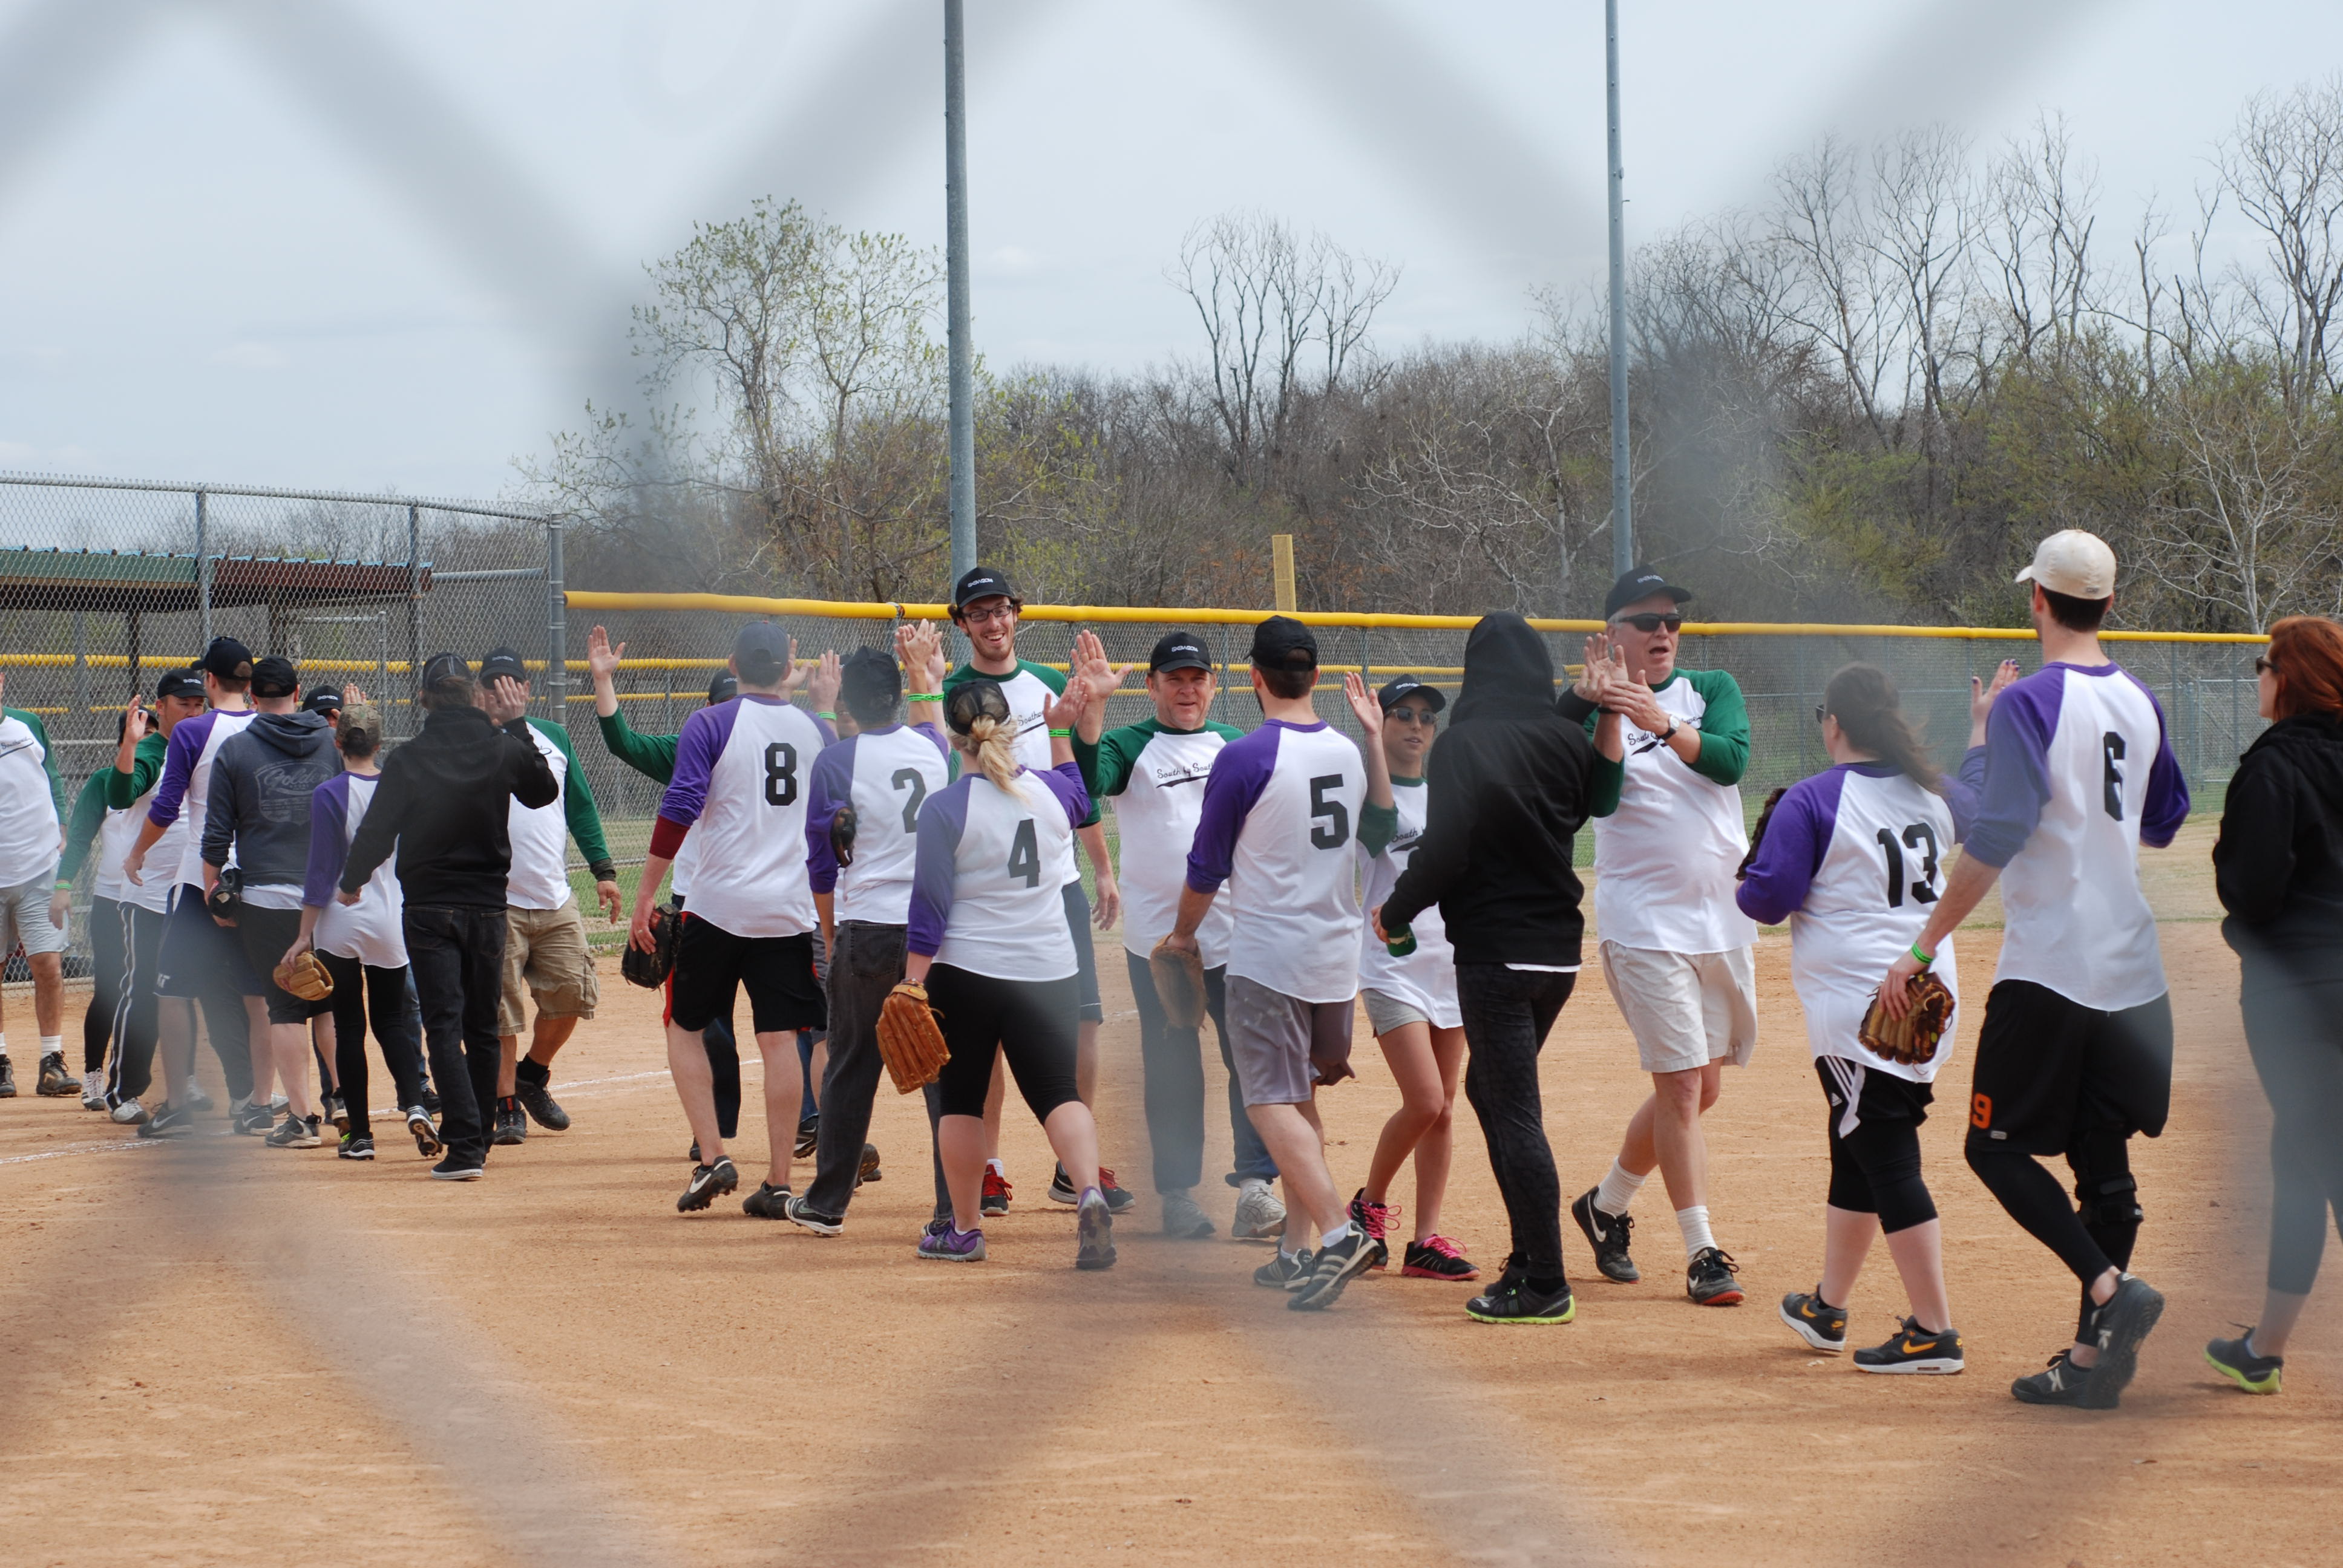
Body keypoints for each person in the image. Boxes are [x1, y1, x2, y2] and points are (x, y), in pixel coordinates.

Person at [1881, 529, 2186, 1409]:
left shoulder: (2030, 704)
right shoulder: (2142, 698)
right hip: (2135, 970)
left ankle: (2107, 1290)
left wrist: (1923, 942)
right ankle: (2092, 1370)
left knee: (1993, 1146)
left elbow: (1998, 836)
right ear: (2111, 604)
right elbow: (2164, 819)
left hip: (2052, 965)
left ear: (2039, 602)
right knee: (2105, 1162)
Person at [1738, 662, 2009, 1374]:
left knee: (1884, 1152)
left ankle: (1933, 1331)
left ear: (1832, 724)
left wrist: (1747, 871)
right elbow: (1978, 803)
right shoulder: (1931, 789)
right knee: (1854, 1140)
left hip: (1862, 1013)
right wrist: (1980, 732)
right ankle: (1826, 1306)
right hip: (1926, 996)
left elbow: (1766, 903)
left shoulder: (1813, 800)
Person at [1375, 615, 1602, 1324]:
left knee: (1513, 1111)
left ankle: (1544, 1281)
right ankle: (1528, 1259)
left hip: (1494, 955)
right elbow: (1582, 791)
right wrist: (1586, 706)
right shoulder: (1567, 736)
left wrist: (1398, 908)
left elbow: (1447, 848)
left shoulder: (1463, 744)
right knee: (1485, 1088)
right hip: (1557, 954)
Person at [1167, 616, 1397, 1311]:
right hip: (1334, 959)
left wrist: (1181, 938)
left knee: (1266, 1101)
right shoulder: (1348, 753)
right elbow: (1380, 832)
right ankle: (1296, 1250)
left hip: (1268, 956)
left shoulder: (1243, 756)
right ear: (1317, 678)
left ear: (1253, 678)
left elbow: (1205, 867)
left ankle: (1336, 1233)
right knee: (1299, 1102)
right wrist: (1374, 741)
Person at [1563, 568, 1758, 1308]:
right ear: (1611, 634)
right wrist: (1610, 712)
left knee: (1700, 1088)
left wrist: (1661, 722)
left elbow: (1730, 759)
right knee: (1678, 1085)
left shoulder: (1711, 688)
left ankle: (1605, 1205)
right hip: (1643, 924)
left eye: (1671, 621)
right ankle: (1702, 1251)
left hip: (1720, 917)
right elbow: (1597, 802)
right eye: (1646, 622)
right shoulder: (1589, 711)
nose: (1663, 633)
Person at [1072, 628, 1285, 1241]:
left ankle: (1255, 1188)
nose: (1186, 689)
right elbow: (1086, 791)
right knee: (1173, 1071)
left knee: (1248, 1061)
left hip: (1236, 938)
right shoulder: (1128, 744)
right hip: (1160, 947)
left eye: (1197, 678)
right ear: (1152, 686)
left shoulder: (1236, 746)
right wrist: (1093, 712)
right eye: (1174, 678)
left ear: (1214, 686)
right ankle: (1177, 1195)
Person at [627, 622, 839, 1215]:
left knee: (684, 1027)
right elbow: (834, 824)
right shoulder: (817, 730)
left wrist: (647, 892)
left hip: (716, 908)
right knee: (779, 1040)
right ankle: (777, 1182)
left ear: (731, 664)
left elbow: (681, 804)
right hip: (789, 912)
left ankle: (712, 1154)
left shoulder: (711, 722)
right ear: (789, 665)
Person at [905, 677, 1115, 1269]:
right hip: (1048, 972)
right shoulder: (1051, 793)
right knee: (1059, 1095)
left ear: (953, 737)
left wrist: (911, 982)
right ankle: (1088, 1192)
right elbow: (1082, 787)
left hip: (966, 974)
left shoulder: (944, 807)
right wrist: (1058, 731)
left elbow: (929, 908)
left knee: (962, 1103)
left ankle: (966, 1230)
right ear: (1009, 729)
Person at [941, 565, 1132, 1215]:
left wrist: (1101, 867)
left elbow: (1077, 785)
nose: (992, 623)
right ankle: (989, 1168)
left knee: (1083, 1026)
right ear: (961, 623)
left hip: (1056, 886)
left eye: (1001, 611)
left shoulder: (1050, 684)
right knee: (982, 1040)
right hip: (981, 888)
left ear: (1016, 616)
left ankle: (1069, 1168)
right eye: (978, 613)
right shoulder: (950, 692)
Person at [339, 652, 559, 1180]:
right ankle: (477, 1137)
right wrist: (519, 724)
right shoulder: (501, 746)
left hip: (430, 905)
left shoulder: (410, 759)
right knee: (481, 1024)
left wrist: (352, 881)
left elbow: (379, 828)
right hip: (487, 906)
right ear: (475, 696)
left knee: (443, 1023)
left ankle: (465, 1148)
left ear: (425, 700)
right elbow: (544, 790)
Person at [2203, 616, 2343, 1396]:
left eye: (2263, 665)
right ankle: (2263, 1348)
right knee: (2298, 1159)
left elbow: (2250, 892)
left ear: (2286, 679)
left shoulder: (2273, 768)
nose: (2256, 675)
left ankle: (2266, 1346)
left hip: (2299, 999)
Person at [787, 628, 947, 1235]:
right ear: (900, 700)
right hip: (933, 932)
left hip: (868, 928)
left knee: (851, 1064)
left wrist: (829, 934)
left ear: (847, 703)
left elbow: (822, 861)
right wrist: (922, 669)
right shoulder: (935, 746)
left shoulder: (837, 759)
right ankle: (948, 1207)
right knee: (937, 1068)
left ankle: (827, 1204)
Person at [588, 625, 747, 1159]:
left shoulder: (779, 741)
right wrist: (604, 682)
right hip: (701, 905)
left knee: (792, 1023)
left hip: (759, 902)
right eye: (725, 705)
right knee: (711, 1025)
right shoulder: (690, 747)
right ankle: (717, 1129)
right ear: (708, 710)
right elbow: (623, 742)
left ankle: (811, 1120)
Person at [473, 646, 621, 1145]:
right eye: (492, 685)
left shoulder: (553, 737)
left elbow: (578, 805)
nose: (501, 692)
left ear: (527, 690)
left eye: (510, 683)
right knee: (501, 1008)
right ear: (478, 693)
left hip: (554, 895)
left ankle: (533, 1075)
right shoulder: (470, 742)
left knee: (573, 995)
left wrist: (602, 869)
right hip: (497, 900)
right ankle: (506, 1104)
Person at [1352, 675, 1475, 1281]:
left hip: (1449, 966)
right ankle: (1368, 1205)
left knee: (1445, 1109)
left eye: (1426, 717)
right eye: (1402, 714)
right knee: (1424, 1099)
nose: (1416, 726)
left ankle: (1425, 1239)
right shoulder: (1370, 794)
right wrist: (1371, 743)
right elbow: (1376, 832)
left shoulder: (1448, 793)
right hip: (1389, 968)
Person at [122, 636, 270, 1134]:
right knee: (256, 995)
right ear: (249, 683)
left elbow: (166, 809)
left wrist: (138, 850)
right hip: (258, 878)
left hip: (198, 879)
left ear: (209, 680)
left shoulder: (192, 731)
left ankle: (180, 1098)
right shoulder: (270, 725)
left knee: (173, 990)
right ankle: (257, 1102)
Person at [202, 656, 342, 1149]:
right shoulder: (331, 742)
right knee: (328, 999)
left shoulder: (237, 749)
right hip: (330, 895)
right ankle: (343, 1100)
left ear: (253, 697)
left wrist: (213, 889)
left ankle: (302, 1120)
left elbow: (217, 832)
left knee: (284, 1004)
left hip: (266, 896)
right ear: (298, 691)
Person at [290, 701, 434, 1161]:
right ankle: (416, 1104)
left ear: (337, 745)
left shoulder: (329, 793)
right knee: (394, 1021)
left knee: (349, 1026)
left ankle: (362, 1135)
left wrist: (302, 935)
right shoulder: (403, 787)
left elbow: (321, 872)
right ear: (379, 744)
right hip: (391, 914)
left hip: (341, 917)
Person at [108, 671, 207, 1132]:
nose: (193, 711)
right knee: (144, 990)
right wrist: (130, 744)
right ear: (161, 708)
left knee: (186, 992)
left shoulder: (206, 746)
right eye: (184, 704)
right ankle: (122, 1090)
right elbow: (120, 793)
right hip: (148, 892)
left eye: (199, 704)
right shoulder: (151, 751)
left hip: (189, 890)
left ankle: (184, 1081)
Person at [59, 705, 152, 1111]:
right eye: (141, 735)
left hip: (154, 902)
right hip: (112, 900)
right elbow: (79, 836)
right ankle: (94, 1076)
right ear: (124, 739)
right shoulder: (103, 782)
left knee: (157, 992)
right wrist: (62, 885)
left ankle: (152, 1080)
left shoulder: (170, 774)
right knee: (111, 990)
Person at [0, 669, 71, 1101]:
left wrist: (62, 823)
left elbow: (53, 775)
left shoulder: (26, 723)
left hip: (39, 867)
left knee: (48, 966)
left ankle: (52, 1061)